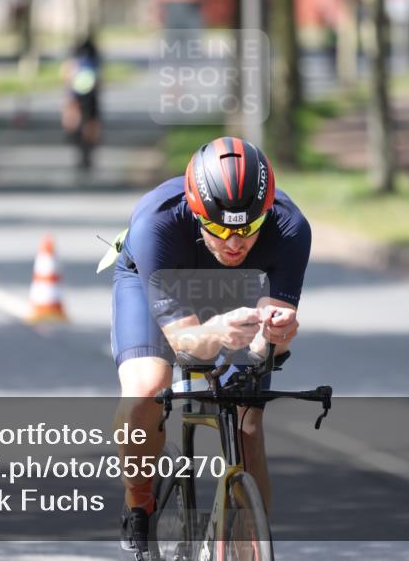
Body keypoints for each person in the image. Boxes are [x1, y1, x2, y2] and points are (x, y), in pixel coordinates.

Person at [107, 136, 311, 559]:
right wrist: (216, 332)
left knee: (246, 422)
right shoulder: (156, 225)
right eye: (219, 230)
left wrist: (277, 333)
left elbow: (269, 337)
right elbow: (185, 343)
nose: (234, 243)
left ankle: (249, 546)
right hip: (162, 284)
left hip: (237, 293)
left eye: (248, 229)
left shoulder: (290, 228)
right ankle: (138, 497)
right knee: (148, 388)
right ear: (197, 212)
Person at [60, 37, 101, 169]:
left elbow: (67, 79)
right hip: (90, 97)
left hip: (76, 97)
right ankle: (88, 148)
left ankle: (81, 144)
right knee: (90, 124)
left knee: (77, 124)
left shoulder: (74, 63)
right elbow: (99, 82)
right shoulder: (94, 62)